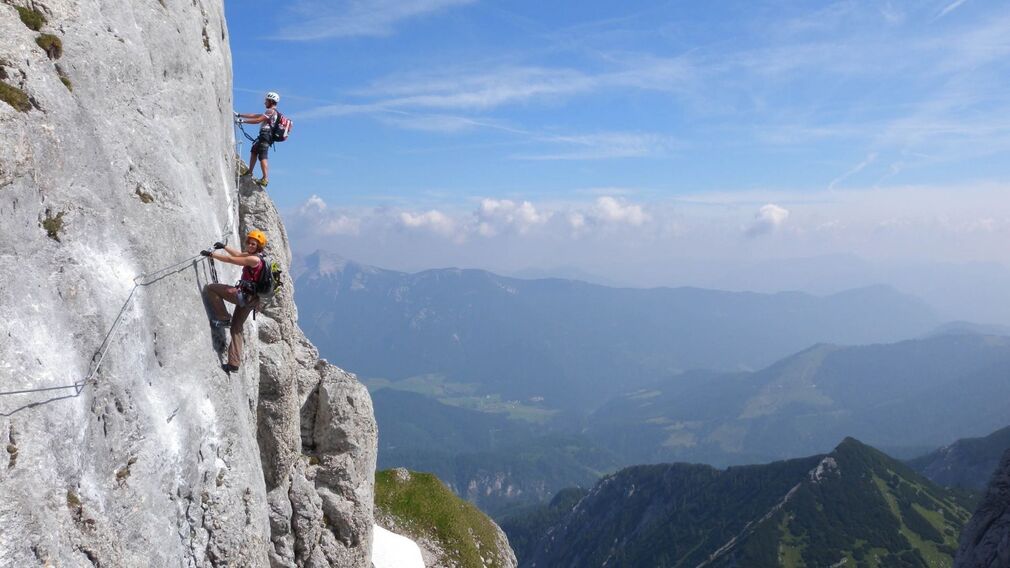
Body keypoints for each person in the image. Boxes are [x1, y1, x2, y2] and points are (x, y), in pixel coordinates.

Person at [201, 230, 268, 373]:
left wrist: (212, 255)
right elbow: (237, 254)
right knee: (236, 328)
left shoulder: (254, 260)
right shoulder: (258, 256)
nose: (250, 245)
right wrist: (224, 247)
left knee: (211, 288)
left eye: (253, 244)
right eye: (249, 243)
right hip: (252, 299)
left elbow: (232, 260)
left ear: (258, 246)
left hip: (243, 296)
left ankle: (224, 317)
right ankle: (234, 364)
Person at [236, 91, 280, 188]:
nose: (265, 102)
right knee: (254, 150)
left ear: (271, 101)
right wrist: (240, 115)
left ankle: (265, 178)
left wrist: (242, 121)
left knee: (263, 156)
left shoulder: (270, 111)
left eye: (266, 101)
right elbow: (255, 115)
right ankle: (250, 172)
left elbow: (258, 120)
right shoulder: (273, 112)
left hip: (265, 135)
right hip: (265, 136)